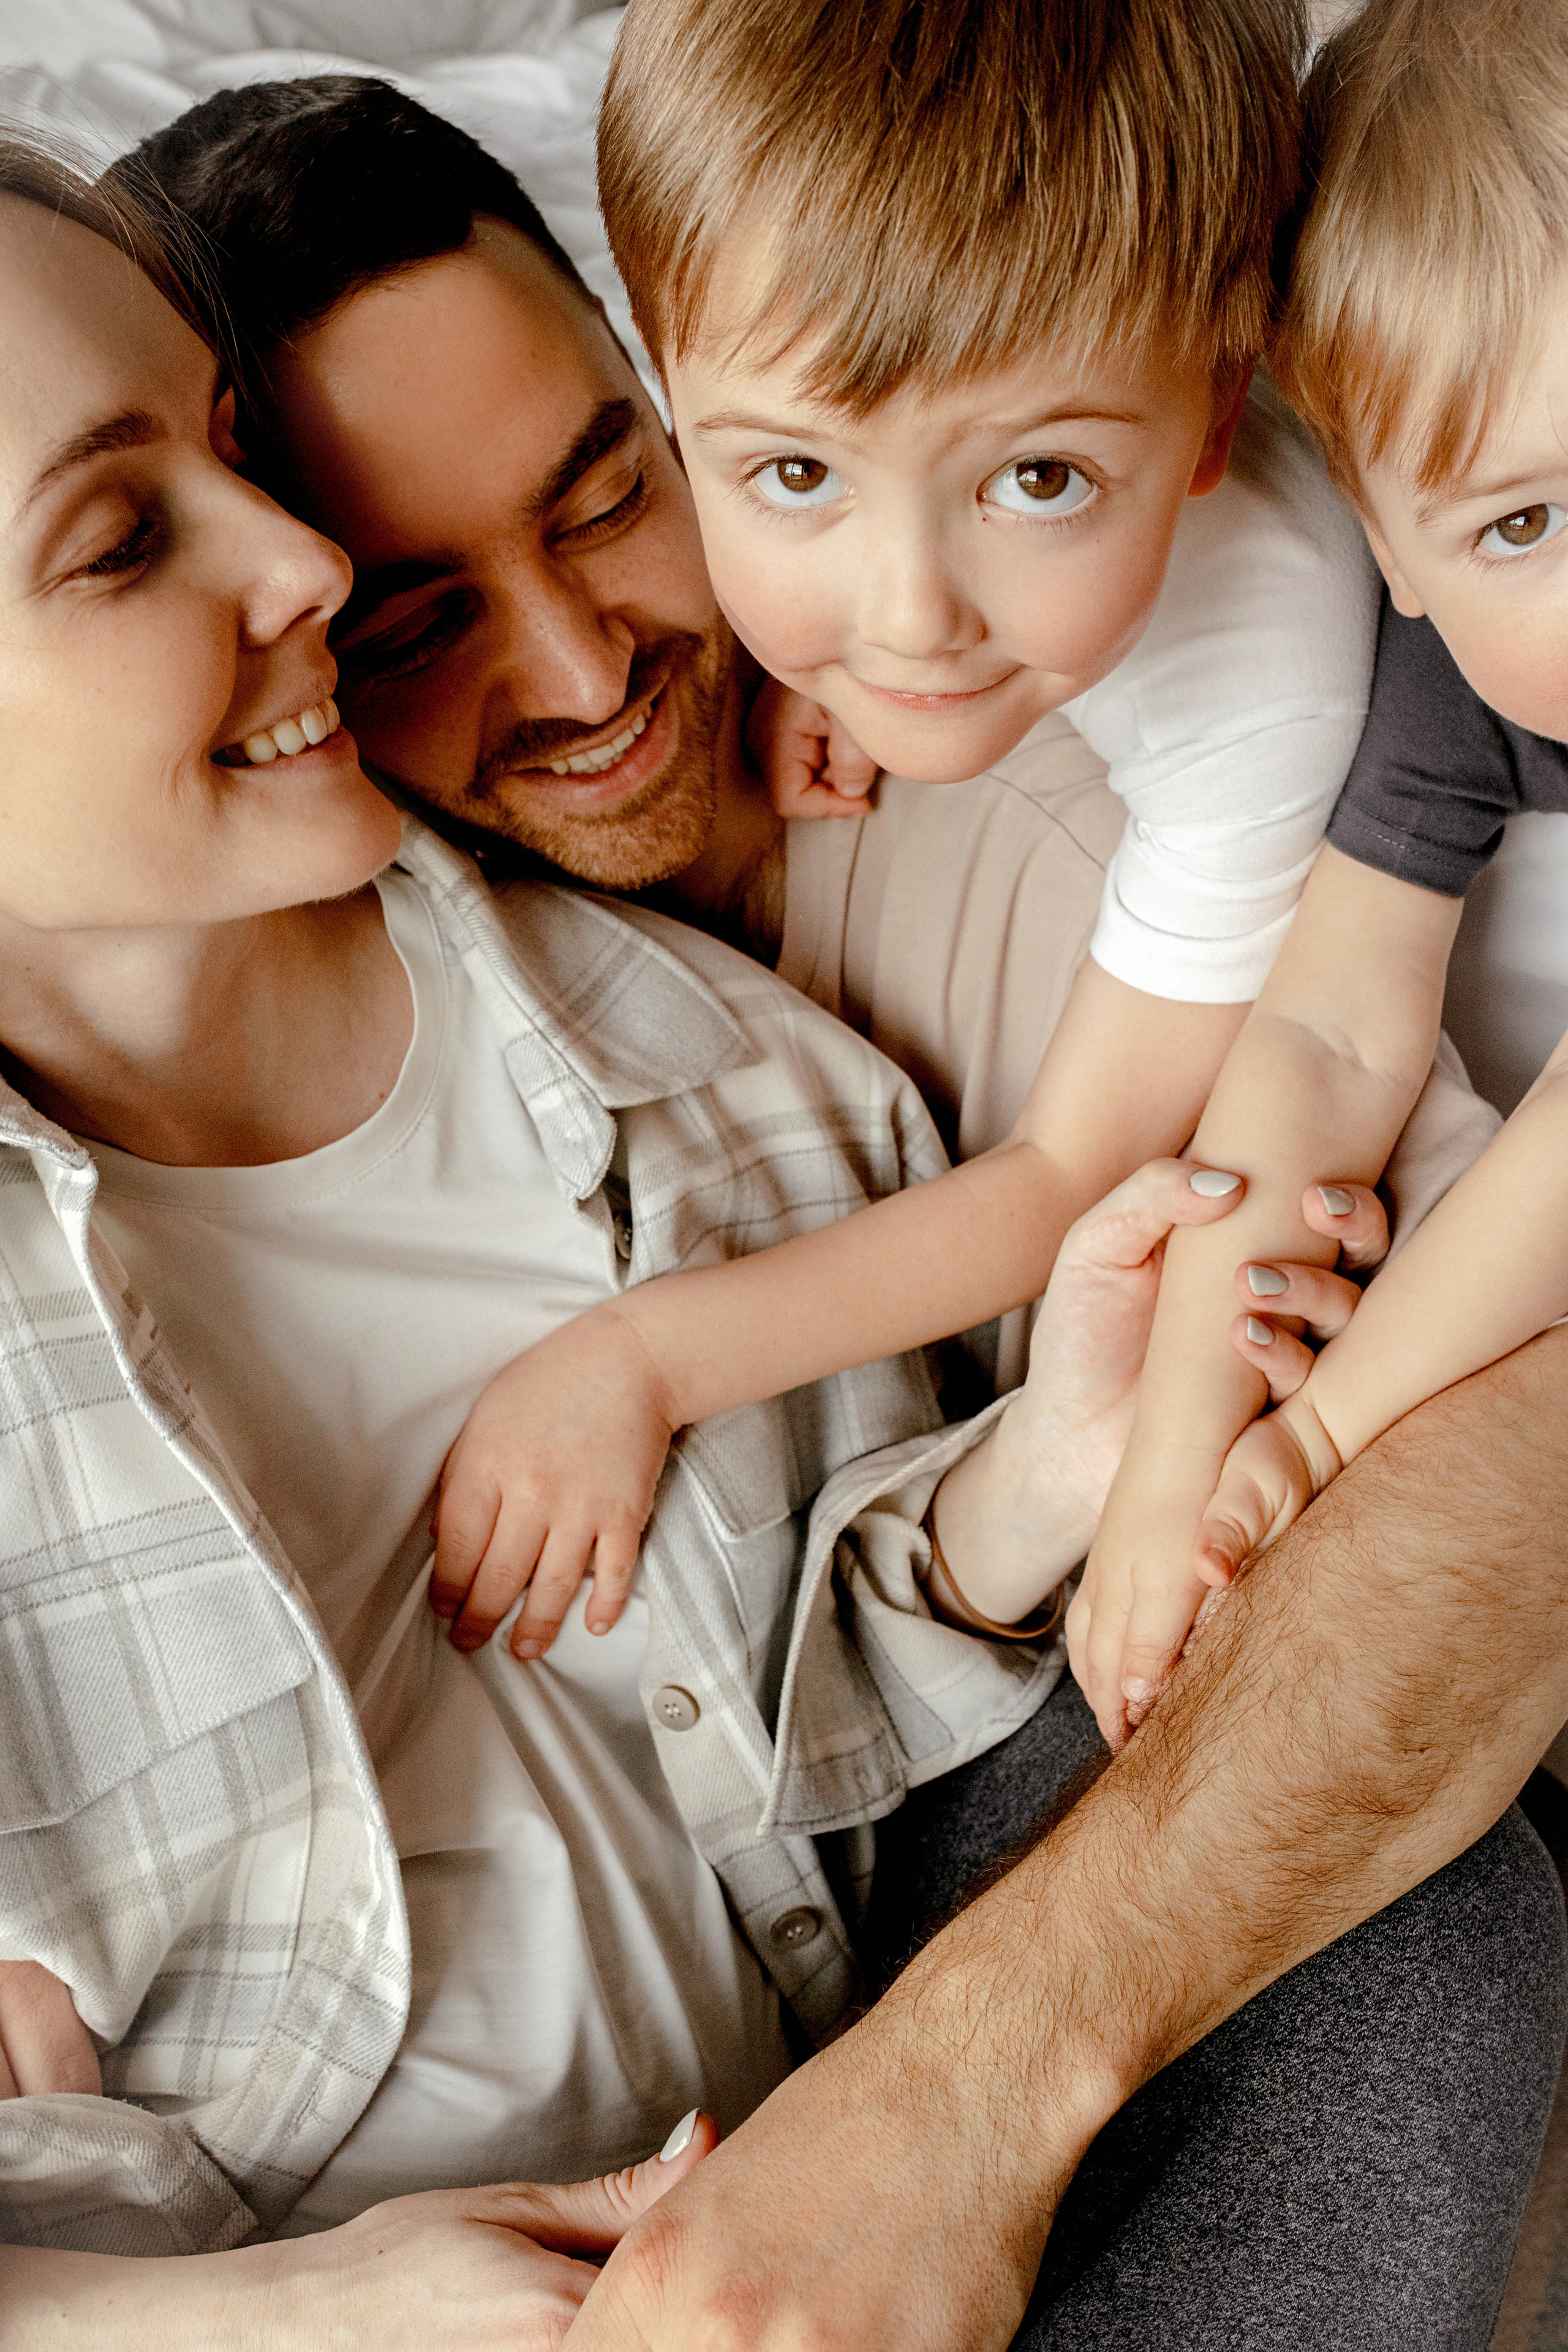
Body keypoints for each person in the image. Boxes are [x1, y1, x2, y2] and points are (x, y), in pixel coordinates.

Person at [78, 68, 1564, 2349]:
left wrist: (1124, 1470)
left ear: (656, 396)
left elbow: (1481, 1430)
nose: (581, 676)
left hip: (887, 1913)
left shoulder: (1036, 834)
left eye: (614, 502)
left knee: (1431, 1941)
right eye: (410, 623)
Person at [1185, 0, 1568, 1584]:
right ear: (1386, 547)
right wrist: (1179, 1457)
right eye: (1525, 525)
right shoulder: (1457, 673)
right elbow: (1326, 1024)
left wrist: (1331, 1435)